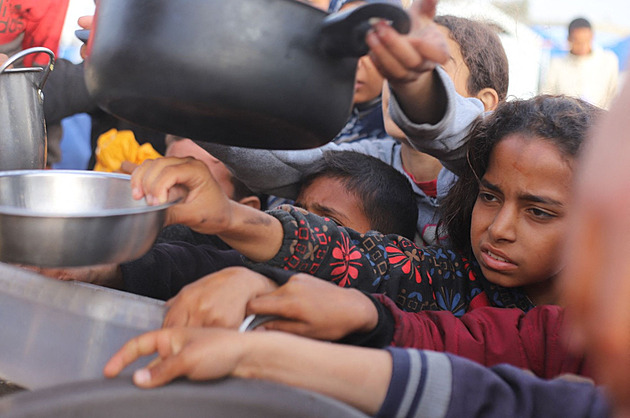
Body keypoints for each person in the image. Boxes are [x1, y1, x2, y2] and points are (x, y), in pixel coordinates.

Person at [202, 13, 508, 246]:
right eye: (393, 67)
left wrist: (419, 89)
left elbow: (460, 132)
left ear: (485, 103)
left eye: (430, 68)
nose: (398, 81)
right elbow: (280, 163)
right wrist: (191, 103)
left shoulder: (491, 171)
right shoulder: (368, 160)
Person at [541, 17, 619, 109]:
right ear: (569, 39)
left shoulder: (608, 61)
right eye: (577, 41)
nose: (582, 46)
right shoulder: (557, 64)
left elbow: (614, 95)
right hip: (565, 121)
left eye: (585, 41)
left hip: (601, 120)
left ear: (592, 37)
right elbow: (546, 96)